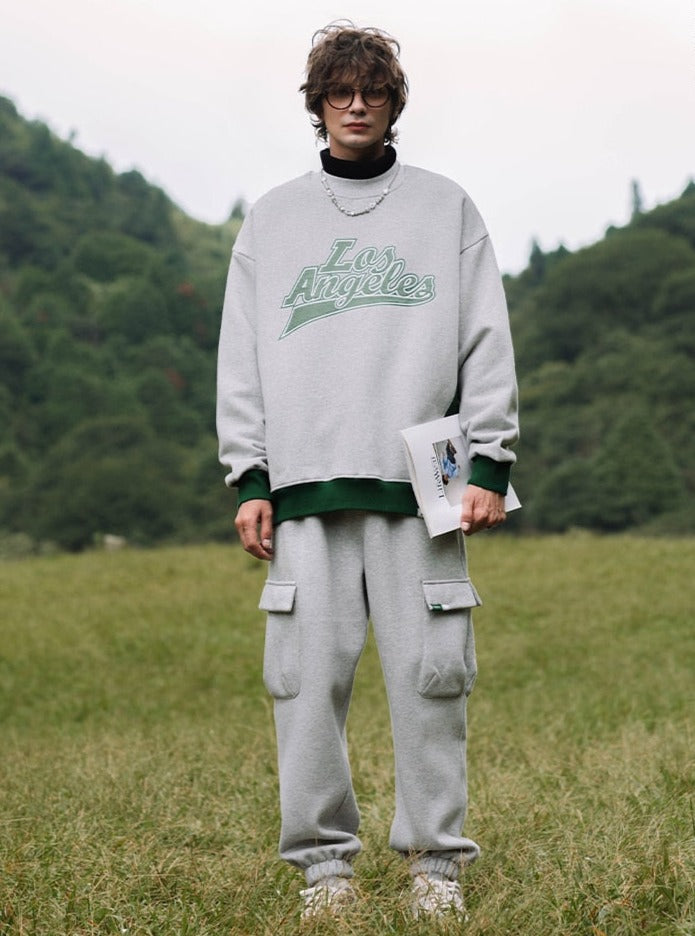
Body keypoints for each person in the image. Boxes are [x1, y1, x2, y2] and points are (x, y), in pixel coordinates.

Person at [216, 22, 518, 921]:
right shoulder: (272, 219)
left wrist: (489, 461)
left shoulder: (445, 208)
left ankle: (435, 865)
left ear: (393, 103)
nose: (356, 106)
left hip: (424, 484)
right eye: (339, 93)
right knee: (305, 687)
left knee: (433, 678)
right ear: (317, 105)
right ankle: (324, 870)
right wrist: (250, 476)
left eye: (372, 93)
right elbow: (240, 360)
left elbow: (485, 339)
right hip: (304, 487)